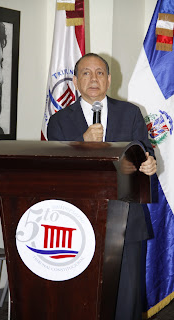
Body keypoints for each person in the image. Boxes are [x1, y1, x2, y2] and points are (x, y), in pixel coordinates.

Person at [47, 53, 157, 320]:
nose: (93, 79)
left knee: (127, 295)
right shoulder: (59, 122)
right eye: (86, 73)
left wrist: (150, 164)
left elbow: (144, 150)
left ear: (109, 79)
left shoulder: (130, 113)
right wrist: (80, 141)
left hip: (127, 218)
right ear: (75, 80)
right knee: (84, 294)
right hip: (78, 222)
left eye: (99, 73)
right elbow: (56, 170)